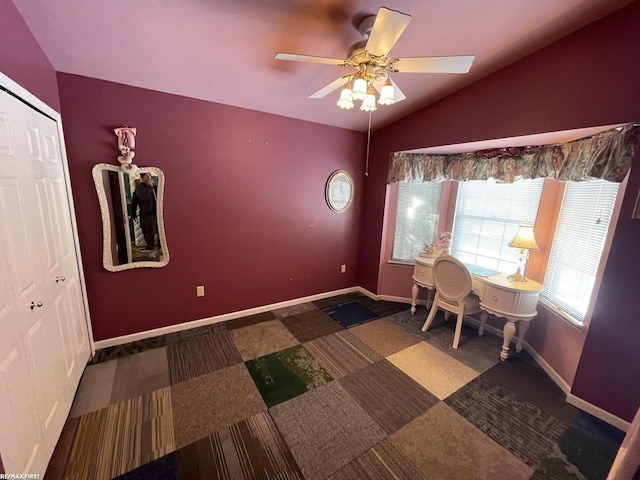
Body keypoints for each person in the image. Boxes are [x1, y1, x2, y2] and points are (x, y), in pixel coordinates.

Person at [131, 173, 157, 251]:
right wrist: (133, 213)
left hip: (156, 212)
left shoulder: (155, 185)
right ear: (143, 177)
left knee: (155, 229)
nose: (149, 176)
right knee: (147, 229)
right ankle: (150, 247)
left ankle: (156, 246)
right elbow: (142, 197)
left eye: (149, 175)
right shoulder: (140, 187)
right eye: (147, 175)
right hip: (146, 212)